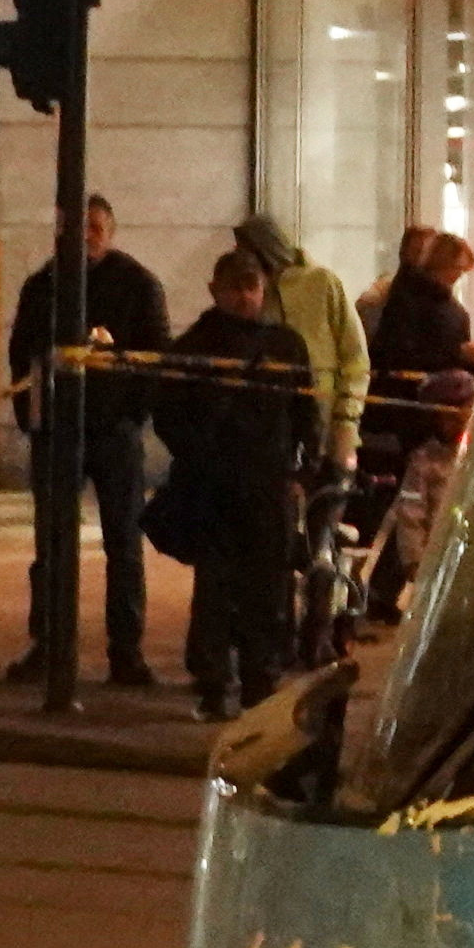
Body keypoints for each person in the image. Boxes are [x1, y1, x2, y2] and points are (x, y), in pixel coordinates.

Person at [149, 248, 322, 721]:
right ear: (216, 290)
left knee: (267, 589)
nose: (245, 298)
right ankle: (213, 684)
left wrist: (302, 471)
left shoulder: (286, 345)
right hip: (215, 487)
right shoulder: (194, 346)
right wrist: (200, 454)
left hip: (268, 485)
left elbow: (307, 413)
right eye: (236, 289)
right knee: (217, 589)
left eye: (252, 288)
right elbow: (167, 414)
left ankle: (259, 684)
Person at [6, 193, 170, 685]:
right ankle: (49, 643)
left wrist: (133, 411)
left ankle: (127, 650)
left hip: (114, 431)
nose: (85, 237)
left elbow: (155, 356)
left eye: (95, 228)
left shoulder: (138, 284)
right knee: (52, 542)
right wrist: (32, 419)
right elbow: (23, 357)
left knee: (123, 541)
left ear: (110, 231)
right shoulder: (43, 286)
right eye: (75, 228)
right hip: (57, 430)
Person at [363, 229, 474, 625]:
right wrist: (459, 355)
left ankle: (384, 591)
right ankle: (386, 590)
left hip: (420, 413)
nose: (458, 279)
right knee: (418, 508)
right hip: (418, 417)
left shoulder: (411, 298)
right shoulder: (419, 303)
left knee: (414, 508)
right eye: (457, 270)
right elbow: (406, 355)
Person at [235, 216, 366, 468]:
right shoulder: (257, 293)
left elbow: (354, 357)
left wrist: (346, 420)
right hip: (276, 431)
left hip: (329, 424)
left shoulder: (322, 282)